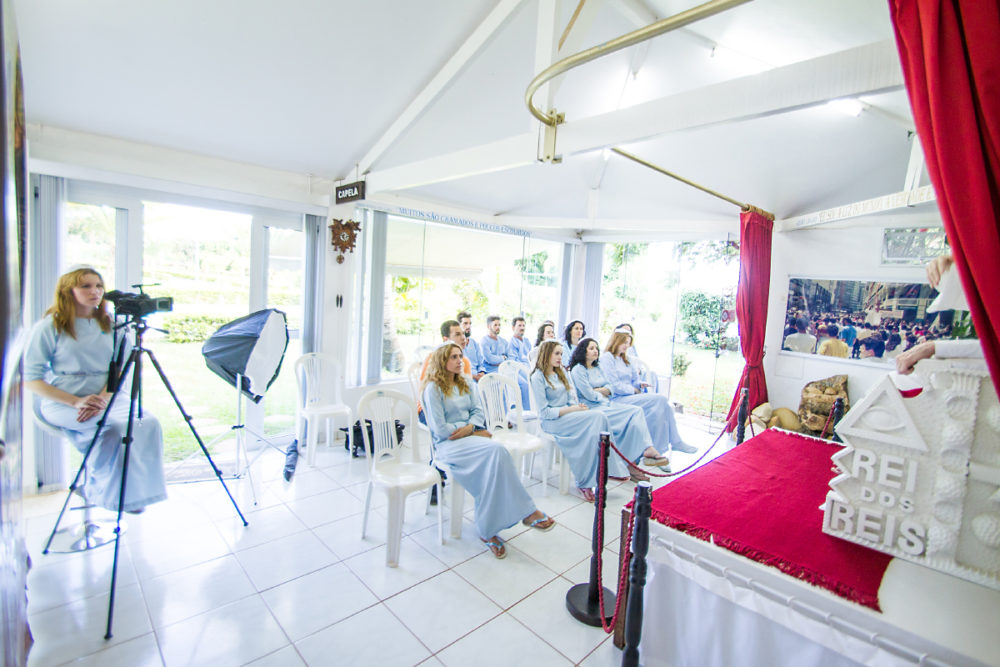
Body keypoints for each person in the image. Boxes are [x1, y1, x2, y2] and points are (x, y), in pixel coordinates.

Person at [24, 267, 167, 513]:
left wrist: (103, 397)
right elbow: (31, 378)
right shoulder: (50, 326)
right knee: (112, 428)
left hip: (107, 394)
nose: (95, 291)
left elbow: (119, 370)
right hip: (63, 398)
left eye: (99, 286)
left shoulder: (112, 325)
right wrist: (75, 402)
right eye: (86, 286)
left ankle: (133, 495)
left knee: (148, 423)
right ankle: (96, 488)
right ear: (68, 291)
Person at [422, 342, 555, 558]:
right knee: (497, 451)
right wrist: (471, 430)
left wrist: (471, 428)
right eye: (453, 357)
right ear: (442, 362)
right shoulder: (433, 389)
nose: (459, 361)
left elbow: (478, 412)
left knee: (494, 461)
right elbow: (441, 429)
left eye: (460, 356)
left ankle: (488, 529)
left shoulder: (466, 382)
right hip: (448, 446)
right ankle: (526, 512)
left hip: (470, 438)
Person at [568, 338, 670, 480]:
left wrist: (600, 390)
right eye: (591, 348)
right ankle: (642, 454)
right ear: (582, 351)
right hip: (591, 408)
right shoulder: (578, 370)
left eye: (596, 348)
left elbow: (611, 388)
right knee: (632, 415)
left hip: (606, 404)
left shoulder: (598, 368)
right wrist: (603, 391)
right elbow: (588, 395)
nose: (595, 351)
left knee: (636, 414)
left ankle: (633, 461)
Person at [529, 340, 611, 502]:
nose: (560, 357)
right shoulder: (537, 377)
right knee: (598, 418)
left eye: (561, 354)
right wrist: (572, 410)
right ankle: (589, 478)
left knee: (595, 426)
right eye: (557, 354)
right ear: (547, 354)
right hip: (552, 421)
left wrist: (576, 407)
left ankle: (590, 477)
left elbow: (570, 399)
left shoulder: (561, 373)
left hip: (567, 416)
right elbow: (545, 412)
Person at [600, 330, 697, 454]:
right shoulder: (607, 358)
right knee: (660, 400)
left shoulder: (626, 359)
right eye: (624, 342)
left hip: (630, 396)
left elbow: (635, 380)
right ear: (616, 341)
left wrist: (639, 384)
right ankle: (668, 445)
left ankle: (666, 446)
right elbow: (613, 385)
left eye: (628, 343)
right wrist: (633, 390)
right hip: (617, 398)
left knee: (662, 407)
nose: (626, 346)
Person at [457, 311, 485, 380]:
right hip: (464, 379)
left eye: (470, 323)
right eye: (465, 323)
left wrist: (482, 372)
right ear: (458, 325)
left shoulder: (474, 343)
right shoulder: (455, 345)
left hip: (479, 378)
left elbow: (481, 363)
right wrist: (474, 377)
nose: (468, 326)